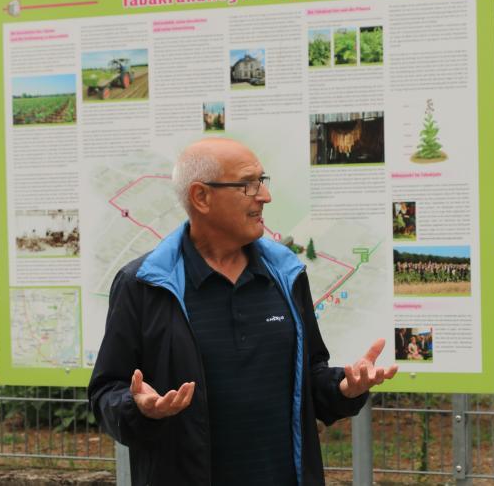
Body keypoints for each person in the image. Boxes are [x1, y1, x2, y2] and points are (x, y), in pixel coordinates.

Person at [88, 138, 398, 485]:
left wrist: (342, 388)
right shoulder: (143, 285)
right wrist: (138, 408)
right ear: (201, 197)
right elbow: (106, 392)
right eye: (248, 185)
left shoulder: (287, 275)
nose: (264, 196)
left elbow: (309, 377)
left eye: (262, 182)